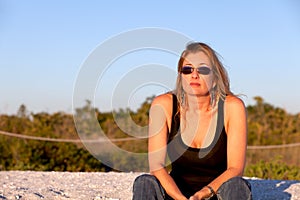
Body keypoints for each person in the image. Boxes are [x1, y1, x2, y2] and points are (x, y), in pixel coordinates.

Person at [132, 42, 252, 200]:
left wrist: (202, 194)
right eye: (187, 69)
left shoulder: (232, 107)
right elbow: (157, 167)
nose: (194, 75)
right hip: (177, 194)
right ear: (181, 76)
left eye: (202, 69)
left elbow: (235, 169)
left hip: (216, 193)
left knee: (237, 185)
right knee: (144, 182)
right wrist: (181, 198)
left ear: (215, 78)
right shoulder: (163, 105)